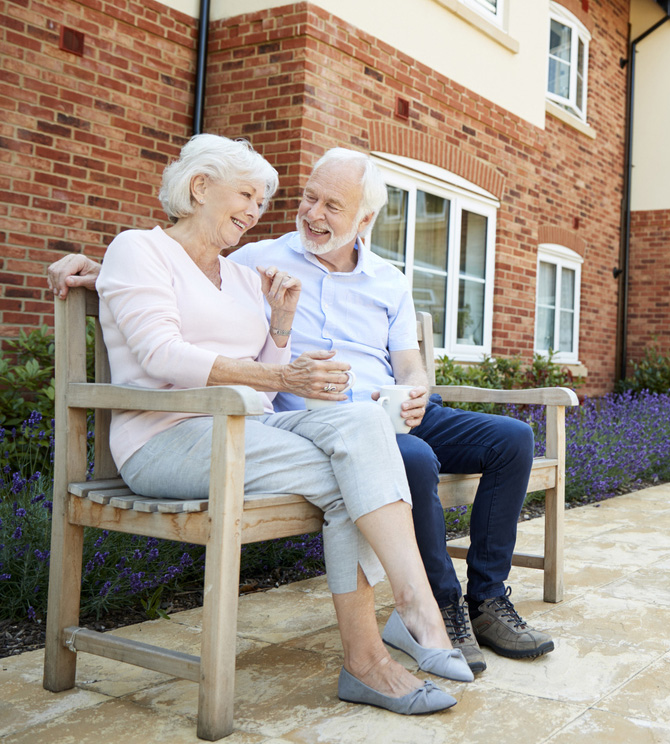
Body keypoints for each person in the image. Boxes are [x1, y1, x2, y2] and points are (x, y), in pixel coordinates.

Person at [49, 147, 555, 675]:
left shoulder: (372, 278)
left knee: (511, 439)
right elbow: (173, 276)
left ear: (364, 220)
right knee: (406, 459)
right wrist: (103, 269)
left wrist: (414, 390)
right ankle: (435, 610)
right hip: (284, 421)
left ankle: (483, 602)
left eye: (332, 206)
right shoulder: (258, 257)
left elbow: (405, 362)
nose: (312, 214)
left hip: (377, 410)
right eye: (308, 198)